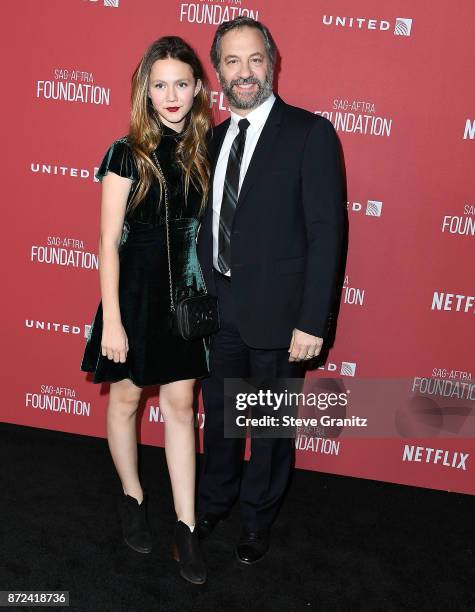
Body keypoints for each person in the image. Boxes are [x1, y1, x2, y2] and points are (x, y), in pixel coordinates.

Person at [196, 17, 345, 564]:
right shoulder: (208, 141)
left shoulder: (309, 133)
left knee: (269, 426)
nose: (244, 72)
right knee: (220, 415)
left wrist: (312, 321)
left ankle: (257, 521)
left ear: (272, 63)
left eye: (254, 59)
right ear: (217, 72)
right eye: (231, 61)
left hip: (282, 317)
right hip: (219, 310)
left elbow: (326, 234)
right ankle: (215, 501)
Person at [80, 36, 211, 585]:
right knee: (128, 397)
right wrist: (112, 319)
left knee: (181, 406)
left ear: (199, 87)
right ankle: (132, 497)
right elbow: (108, 241)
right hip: (132, 296)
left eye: (181, 83)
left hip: (184, 295)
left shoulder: (207, 147)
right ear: (145, 91)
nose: (171, 95)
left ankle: (186, 526)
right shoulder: (124, 152)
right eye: (160, 85)